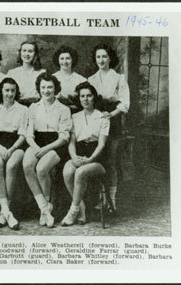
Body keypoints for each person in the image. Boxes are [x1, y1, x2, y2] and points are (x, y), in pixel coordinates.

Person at [23, 72, 72, 228]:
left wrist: (44, 149)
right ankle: (45, 208)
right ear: (39, 88)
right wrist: (36, 147)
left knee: (41, 168)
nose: (46, 90)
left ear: (55, 88)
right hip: (36, 142)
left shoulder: (63, 109)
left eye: (50, 87)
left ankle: (47, 205)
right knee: (27, 165)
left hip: (56, 144)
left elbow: (64, 137)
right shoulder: (33, 107)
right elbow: (28, 134)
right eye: (43, 87)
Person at [88, 43, 130, 213]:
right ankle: (100, 198)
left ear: (110, 58)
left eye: (104, 56)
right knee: (97, 158)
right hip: (96, 121)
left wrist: (111, 114)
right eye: (98, 57)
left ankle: (111, 200)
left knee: (111, 160)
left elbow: (125, 103)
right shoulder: (91, 79)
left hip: (113, 121)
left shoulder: (119, 78)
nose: (101, 60)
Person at [61, 82, 109, 226]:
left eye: (89, 96)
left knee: (80, 172)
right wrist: (74, 157)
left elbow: (102, 144)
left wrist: (90, 160)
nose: (86, 99)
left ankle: (73, 211)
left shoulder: (102, 117)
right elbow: (72, 142)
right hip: (79, 152)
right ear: (79, 98)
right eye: (83, 96)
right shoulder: (74, 117)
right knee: (68, 171)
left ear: (94, 97)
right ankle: (81, 207)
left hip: (97, 156)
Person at [0, 78, 28, 230]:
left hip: (16, 144)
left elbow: (23, 134)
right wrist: (0, 148)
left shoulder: (23, 109)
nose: (10, 93)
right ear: (1, 91)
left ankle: (5, 210)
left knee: (11, 166)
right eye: (7, 90)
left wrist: (11, 149)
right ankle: (5, 211)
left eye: (12, 90)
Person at [7, 40, 45, 107]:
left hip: (37, 108)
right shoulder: (12, 73)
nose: (27, 54)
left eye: (30, 51)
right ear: (20, 52)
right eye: (24, 51)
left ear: (35, 54)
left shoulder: (42, 72)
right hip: (17, 108)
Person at [52, 45, 86, 110]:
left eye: (68, 58)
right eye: (62, 59)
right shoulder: (52, 78)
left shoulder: (81, 80)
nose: (65, 62)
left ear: (72, 60)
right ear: (58, 60)